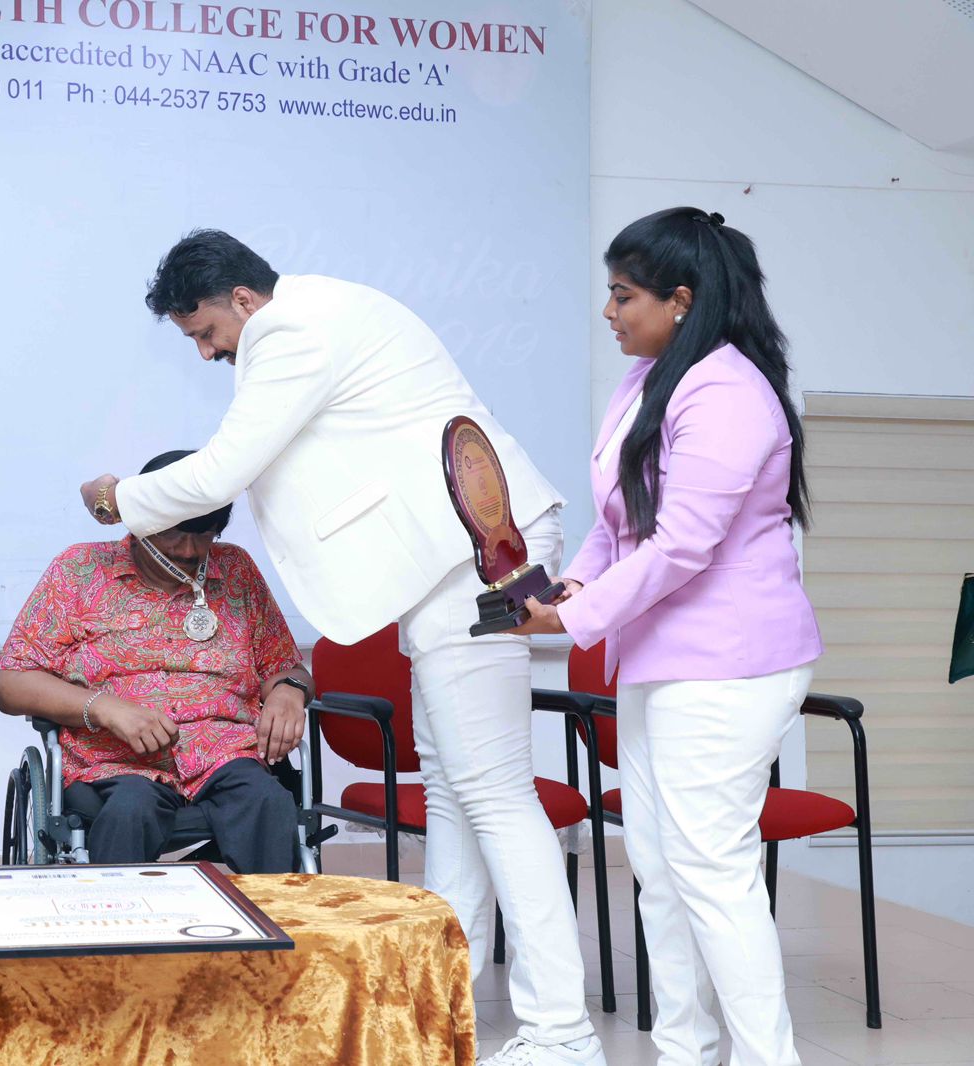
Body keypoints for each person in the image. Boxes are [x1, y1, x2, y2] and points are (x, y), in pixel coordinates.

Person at [79, 230, 603, 1065]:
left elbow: (220, 472)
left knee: (497, 795)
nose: (210, 352)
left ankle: (561, 1033)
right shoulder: (324, 310)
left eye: (206, 333)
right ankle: (446, 994)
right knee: (454, 788)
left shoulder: (291, 329)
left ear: (242, 301)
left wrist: (123, 498)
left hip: (476, 551)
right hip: (451, 558)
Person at [513, 207, 822, 1066]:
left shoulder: (726, 391)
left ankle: (768, 1060)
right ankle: (684, 1049)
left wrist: (572, 619)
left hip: (730, 665)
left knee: (712, 870)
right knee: (656, 865)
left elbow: (684, 540)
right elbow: (620, 525)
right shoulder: (647, 381)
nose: (608, 313)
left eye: (623, 296)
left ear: (680, 299)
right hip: (659, 658)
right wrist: (571, 583)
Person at [0, 450, 310, 872]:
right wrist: (106, 708)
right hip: (114, 759)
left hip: (224, 751)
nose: (189, 550)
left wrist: (290, 691)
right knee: (132, 810)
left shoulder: (235, 570)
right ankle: (122, 933)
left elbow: (283, 666)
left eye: (205, 535)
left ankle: (272, 931)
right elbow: (13, 682)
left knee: (269, 803)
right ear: (142, 520)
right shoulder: (79, 571)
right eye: (172, 535)